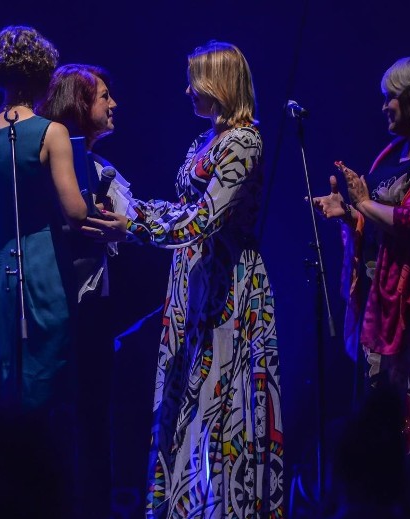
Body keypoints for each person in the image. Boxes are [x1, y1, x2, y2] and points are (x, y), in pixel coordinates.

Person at [93, 41, 284, 518]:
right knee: (185, 402)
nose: (186, 89)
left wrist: (135, 225)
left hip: (227, 285)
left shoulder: (245, 141)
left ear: (217, 84)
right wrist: (131, 211)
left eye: (194, 80)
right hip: (190, 282)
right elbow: (183, 212)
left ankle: (225, 508)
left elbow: (206, 219)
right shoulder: (204, 141)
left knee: (222, 400)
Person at [312, 50, 410, 519]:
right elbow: (377, 219)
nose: (383, 106)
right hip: (384, 307)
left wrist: (364, 205)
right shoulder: (395, 151)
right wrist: (349, 214)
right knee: (380, 430)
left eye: (391, 98)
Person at [0, 25, 93, 517]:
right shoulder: (52, 132)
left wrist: (5, 217)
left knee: (3, 384)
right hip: (44, 267)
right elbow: (75, 211)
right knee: (46, 390)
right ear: (44, 74)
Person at [38, 63, 135, 518]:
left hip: (95, 305)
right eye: (103, 97)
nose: (112, 105)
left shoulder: (98, 165)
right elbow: (84, 223)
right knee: (81, 414)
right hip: (71, 304)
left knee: (96, 415)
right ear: (79, 105)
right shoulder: (66, 164)